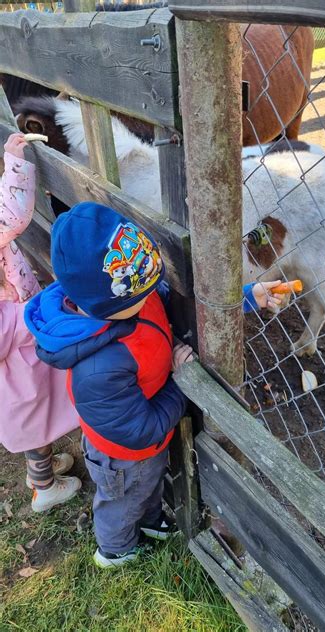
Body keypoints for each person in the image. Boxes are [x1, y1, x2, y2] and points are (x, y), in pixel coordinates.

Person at [25, 202, 194, 568]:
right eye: (140, 294)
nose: (151, 296)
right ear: (100, 303)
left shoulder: (131, 300)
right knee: (120, 502)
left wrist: (245, 297)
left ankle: (150, 522)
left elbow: (166, 301)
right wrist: (182, 386)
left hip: (147, 435)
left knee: (145, 488)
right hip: (122, 452)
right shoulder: (99, 368)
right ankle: (115, 549)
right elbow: (137, 430)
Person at [0, 132, 81, 513]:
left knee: (34, 414)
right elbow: (11, 215)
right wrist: (31, 315)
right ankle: (44, 487)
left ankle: (40, 472)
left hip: (15, 348)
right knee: (33, 415)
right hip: (16, 351)